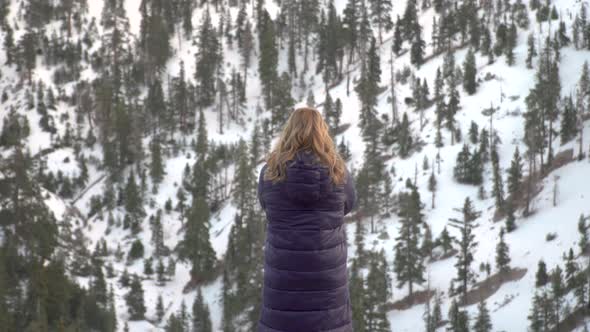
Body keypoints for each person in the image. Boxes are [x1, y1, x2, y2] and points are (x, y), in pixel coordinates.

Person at [257, 107, 357, 332]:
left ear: (289, 131)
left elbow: (266, 205)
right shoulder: (338, 172)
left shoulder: (270, 172)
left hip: (284, 273)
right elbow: (348, 205)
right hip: (326, 273)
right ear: (322, 132)